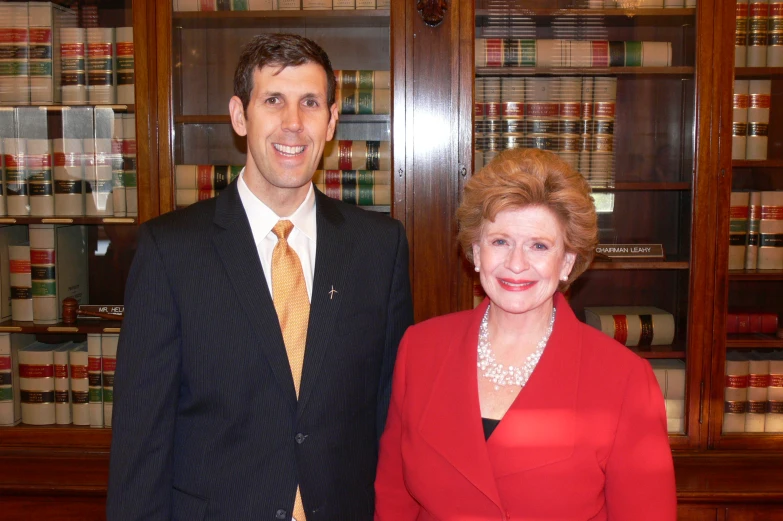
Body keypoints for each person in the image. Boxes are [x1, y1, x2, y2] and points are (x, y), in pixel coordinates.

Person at [107, 33, 413, 521]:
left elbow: (388, 416)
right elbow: (140, 440)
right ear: (239, 115)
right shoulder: (170, 250)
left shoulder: (381, 248)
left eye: (310, 103)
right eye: (274, 101)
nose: (293, 124)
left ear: (331, 121)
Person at [374, 148, 676, 520]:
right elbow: (394, 498)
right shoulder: (420, 350)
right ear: (475, 250)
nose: (516, 264)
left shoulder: (626, 380)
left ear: (566, 261)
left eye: (538, 246)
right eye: (500, 241)